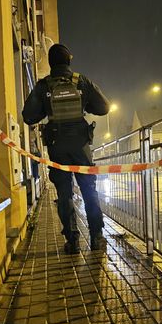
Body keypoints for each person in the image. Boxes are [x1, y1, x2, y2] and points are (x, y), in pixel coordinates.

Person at [22, 43, 110, 254]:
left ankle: (72, 241)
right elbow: (104, 107)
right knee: (89, 191)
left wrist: (46, 107)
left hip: (57, 147)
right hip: (81, 146)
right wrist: (84, 104)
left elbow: (28, 116)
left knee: (64, 195)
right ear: (69, 60)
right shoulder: (82, 81)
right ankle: (97, 237)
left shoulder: (44, 86)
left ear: (51, 63)